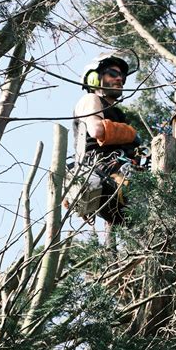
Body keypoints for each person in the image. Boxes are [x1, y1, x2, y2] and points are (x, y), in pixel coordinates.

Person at [71, 52, 141, 225]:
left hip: (120, 173)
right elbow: (97, 130)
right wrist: (131, 133)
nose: (120, 79)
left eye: (123, 77)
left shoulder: (118, 113)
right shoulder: (91, 99)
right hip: (102, 168)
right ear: (95, 78)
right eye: (113, 74)